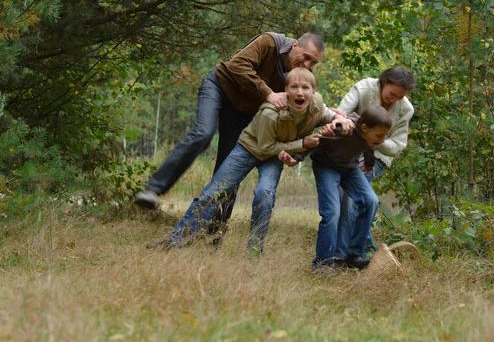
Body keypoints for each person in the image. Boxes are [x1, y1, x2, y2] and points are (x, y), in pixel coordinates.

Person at [135, 32, 326, 234]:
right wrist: (268, 93)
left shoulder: (297, 77)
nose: (307, 64)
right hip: (219, 87)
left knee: (227, 170)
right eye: (306, 57)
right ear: (295, 45)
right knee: (203, 133)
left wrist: (331, 115)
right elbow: (237, 65)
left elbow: (305, 110)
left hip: (243, 111)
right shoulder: (269, 42)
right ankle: (153, 189)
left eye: (313, 62)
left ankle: (214, 232)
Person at [150, 68, 354, 252]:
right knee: (215, 191)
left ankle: (254, 250)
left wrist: (341, 119)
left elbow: (328, 115)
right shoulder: (270, 112)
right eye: (294, 87)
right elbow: (266, 148)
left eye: (305, 88)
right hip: (250, 148)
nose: (300, 92)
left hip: (275, 154)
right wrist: (303, 144)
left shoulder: (316, 104)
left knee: (265, 194)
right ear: (286, 90)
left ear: (314, 91)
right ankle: (175, 241)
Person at [281, 106, 392, 271]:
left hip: (349, 168)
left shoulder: (370, 135)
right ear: (364, 128)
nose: (382, 140)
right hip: (326, 167)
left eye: (384, 136)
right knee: (332, 212)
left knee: (370, 201)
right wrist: (296, 158)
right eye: (379, 135)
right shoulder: (343, 129)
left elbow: (368, 146)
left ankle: (354, 255)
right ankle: (322, 263)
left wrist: (369, 162)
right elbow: (316, 140)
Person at [334, 66, 416, 260]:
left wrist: (376, 141)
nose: (394, 99)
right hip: (348, 152)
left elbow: (398, 145)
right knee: (342, 196)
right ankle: (363, 249)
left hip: (378, 158)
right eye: (392, 93)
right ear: (384, 81)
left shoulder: (406, 109)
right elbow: (339, 115)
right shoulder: (363, 88)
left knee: (353, 197)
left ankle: (348, 253)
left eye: (400, 97)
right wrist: (361, 136)